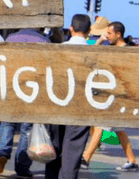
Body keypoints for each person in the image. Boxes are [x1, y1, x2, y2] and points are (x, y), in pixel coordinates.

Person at [82, 21, 139, 172]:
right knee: (119, 130)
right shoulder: (109, 47)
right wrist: (100, 40)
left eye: (109, 33)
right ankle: (132, 160)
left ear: (118, 34)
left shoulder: (127, 51)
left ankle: (85, 158)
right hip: (109, 95)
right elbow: (91, 54)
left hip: (116, 96)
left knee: (100, 125)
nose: (107, 36)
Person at [0, 28, 50, 178]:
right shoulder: (44, 42)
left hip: (12, 87)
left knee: (7, 123)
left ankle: (3, 153)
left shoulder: (11, 38)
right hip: (33, 91)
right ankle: (22, 166)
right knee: (27, 129)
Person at [45, 14, 91, 179]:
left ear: (71, 28)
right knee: (73, 153)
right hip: (82, 107)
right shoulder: (94, 53)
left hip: (57, 104)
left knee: (54, 150)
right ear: (89, 31)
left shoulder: (58, 49)